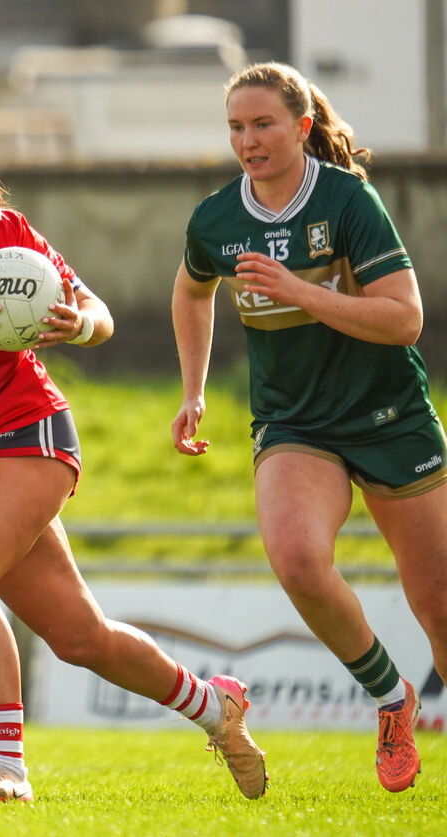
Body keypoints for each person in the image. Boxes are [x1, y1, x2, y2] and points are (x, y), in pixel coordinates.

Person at [0, 115, 267, 802]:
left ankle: (7, 766)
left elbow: (97, 312)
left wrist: (78, 324)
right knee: (81, 637)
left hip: (29, 427)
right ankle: (215, 707)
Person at [171, 62, 447, 793]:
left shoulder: (348, 200)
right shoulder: (216, 219)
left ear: (301, 126)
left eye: (263, 124)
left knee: (441, 608)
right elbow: (191, 292)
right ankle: (392, 698)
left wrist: (300, 291)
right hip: (294, 422)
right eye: (236, 127)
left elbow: (405, 319)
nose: (248, 140)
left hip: (389, 417)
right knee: (295, 557)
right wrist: (194, 390)